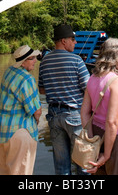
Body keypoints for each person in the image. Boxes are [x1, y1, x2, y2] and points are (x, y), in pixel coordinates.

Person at [38, 24, 90, 175]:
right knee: (83, 164)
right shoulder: (77, 61)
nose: (75, 42)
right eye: (73, 39)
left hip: (53, 116)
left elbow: (42, 90)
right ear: (63, 41)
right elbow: (88, 89)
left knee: (61, 166)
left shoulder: (44, 62)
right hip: (74, 115)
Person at [81, 38, 118, 175]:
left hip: (97, 135)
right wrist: (106, 154)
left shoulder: (92, 78)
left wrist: (92, 143)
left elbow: (85, 113)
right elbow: (112, 122)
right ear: (115, 55)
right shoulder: (116, 81)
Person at [0, 45, 42, 175]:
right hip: (19, 133)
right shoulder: (27, 78)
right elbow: (36, 110)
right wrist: (37, 120)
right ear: (23, 62)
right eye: (32, 58)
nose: (35, 60)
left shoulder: (8, 71)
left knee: (2, 171)